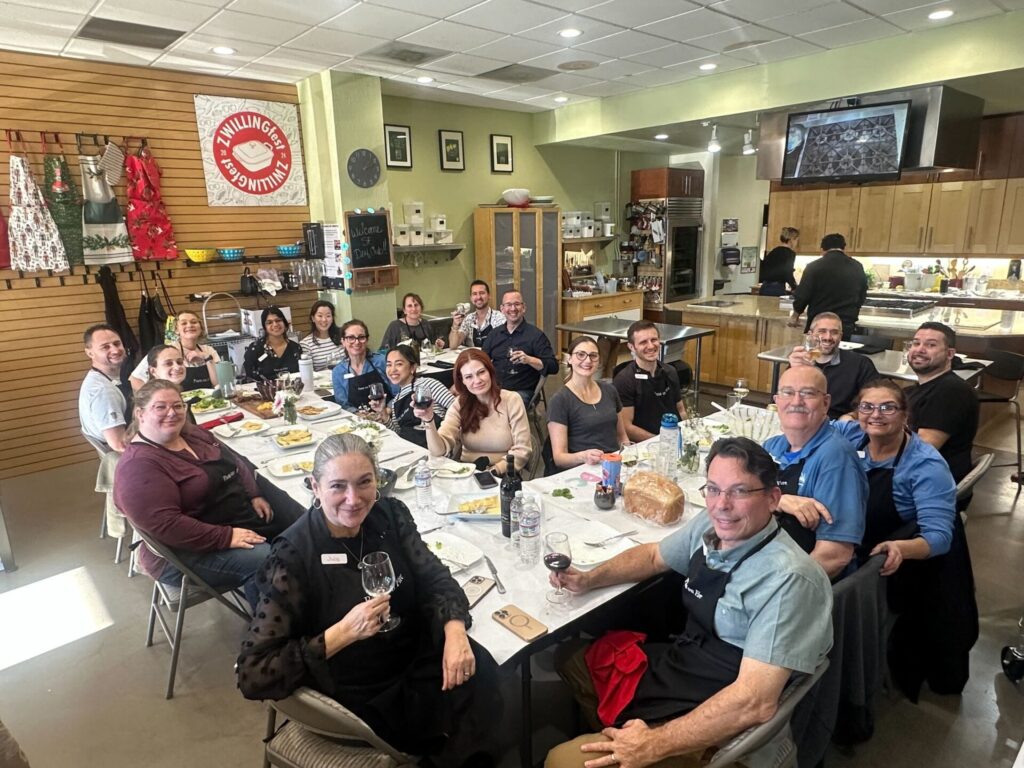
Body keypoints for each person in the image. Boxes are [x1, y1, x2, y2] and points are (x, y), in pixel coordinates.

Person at [544, 438, 832, 768]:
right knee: (570, 657)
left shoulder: (789, 579)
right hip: (686, 667)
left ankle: (636, 743)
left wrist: (653, 744)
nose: (721, 504)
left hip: (727, 728)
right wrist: (589, 578)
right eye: (712, 489)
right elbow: (654, 556)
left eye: (739, 491)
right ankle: (621, 732)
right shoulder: (714, 528)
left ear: (772, 498)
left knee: (559, 761)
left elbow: (754, 702)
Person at [236, 434, 500, 765]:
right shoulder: (293, 557)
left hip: (413, 654)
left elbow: (434, 577)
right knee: (458, 725)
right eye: (337, 486)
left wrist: (455, 631)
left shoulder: (389, 516)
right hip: (364, 687)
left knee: (481, 669)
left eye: (364, 483)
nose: (354, 499)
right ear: (314, 487)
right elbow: (253, 673)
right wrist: (343, 633)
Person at [833, 380, 978, 700]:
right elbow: (821, 426)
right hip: (857, 537)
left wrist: (901, 547)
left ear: (905, 415)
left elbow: (940, 537)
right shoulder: (854, 435)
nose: (876, 415)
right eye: (867, 407)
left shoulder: (924, 464)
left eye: (888, 407)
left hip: (893, 564)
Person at [113, 379, 292, 605]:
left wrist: (254, 493)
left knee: (297, 527)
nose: (172, 413)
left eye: (178, 405)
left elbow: (233, 460)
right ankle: (270, 634)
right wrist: (226, 537)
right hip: (184, 553)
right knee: (267, 559)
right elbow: (168, 526)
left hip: (226, 520)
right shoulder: (138, 467)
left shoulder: (190, 434)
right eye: (160, 407)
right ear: (140, 413)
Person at [763, 366, 867, 578]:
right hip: (763, 560)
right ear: (776, 401)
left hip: (798, 581)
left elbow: (835, 555)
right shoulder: (771, 447)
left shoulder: (836, 457)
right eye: (788, 392)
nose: (796, 401)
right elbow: (732, 496)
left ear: (826, 403)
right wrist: (779, 501)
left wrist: (775, 591)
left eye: (808, 393)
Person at [419, 348, 531, 475]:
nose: (477, 380)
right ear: (462, 381)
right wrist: (428, 419)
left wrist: (492, 472)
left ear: (490, 371)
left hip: (503, 474)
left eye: (481, 372)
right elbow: (438, 451)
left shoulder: (512, 400)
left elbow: (522, 451)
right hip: (467, 473)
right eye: (469, 377)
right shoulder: (459, 405)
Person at [904, 321, 979, 487]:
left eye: (931, 345)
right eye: (916, 343)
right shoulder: (916, 390)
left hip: (928, 486)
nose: (919, 349)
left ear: (950, 354)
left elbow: (921, 451)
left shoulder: (951, 392)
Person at [549, 337, 628, 469]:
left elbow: (622, 437)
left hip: (614, 463)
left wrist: (629, 456)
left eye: (593, 356)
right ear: (569, 359)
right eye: (580, 355)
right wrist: (583, 456)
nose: (587, 360)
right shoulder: (560, 400)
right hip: (584, 468)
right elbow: (559, 457)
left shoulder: (610, 390)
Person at [786, 311, 877, 419]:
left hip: (840, 426)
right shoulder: (800, 362)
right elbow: (782, 401)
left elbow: (876, 400)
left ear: (841, 336)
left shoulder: (860, 364)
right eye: (822, 331)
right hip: (803, 422)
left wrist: (854, 415)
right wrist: (794, 372)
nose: (828, 337)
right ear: (810, 335)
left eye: (834, 332)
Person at [368, 345, 455, 448]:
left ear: (412, 368)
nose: (392, 370)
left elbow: (457, 409)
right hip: (413, 449)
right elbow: (398, 434)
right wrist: (382, 412)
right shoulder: (396, 400)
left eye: (399, 364)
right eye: (389, 365)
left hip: (438, 446)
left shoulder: (428, 384)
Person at [613, 320, 687, 441]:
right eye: (643, 342)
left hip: (674, 439)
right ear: (631, 346)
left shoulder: (670, 371)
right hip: (645, 445)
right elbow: (626, 427)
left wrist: (686, 434)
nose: (651, 346)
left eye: (654, 340)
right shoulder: (624, 380)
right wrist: (660, 440)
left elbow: (681, 410)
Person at [482, 290, 559, 403]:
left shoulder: (536, 336)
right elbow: (482, 359)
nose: (513, 309)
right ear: (502, 309)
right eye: (508, 304)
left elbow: (553, 366)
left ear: (524, 308)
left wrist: (529, 360)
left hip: (521, 392)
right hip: (495, 388)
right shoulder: (494, 334)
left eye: (517, 304)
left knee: (501, 408)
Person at [788, 233, 867, 340]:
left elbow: (803, 295)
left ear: (822, 249)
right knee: (841, 355)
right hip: (844, 325)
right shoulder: (857, 266)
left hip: (820, 324)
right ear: (844, 248)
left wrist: (795, 315)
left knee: (816, 354)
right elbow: (862, 295)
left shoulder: (814, 266)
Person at [129, 310, 220, 391]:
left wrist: (207, 358)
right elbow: (135, 379)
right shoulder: (165, 351)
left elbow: (218, 383)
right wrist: (150, 402)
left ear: (201, 328)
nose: (190, 325)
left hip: (209, 406)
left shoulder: (209, 350)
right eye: (184, 323)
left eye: (194, 322)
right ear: (176, 330)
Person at [79, 323, 128, 452]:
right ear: (90, 353)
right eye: (105, 347)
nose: (115, 350)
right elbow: (120, 445)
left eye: (117, 344)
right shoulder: (103, 391)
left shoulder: (97, 378)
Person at [332, 319, 393, 413]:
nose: (357, 342)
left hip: (388, 415)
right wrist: (359, 415)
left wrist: (387, 411)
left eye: (361, 337)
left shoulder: (382, 362)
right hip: (358, 422)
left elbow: (399, 392)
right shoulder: (338, 371)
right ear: (343, 341)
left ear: (367, 340)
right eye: (351, 338)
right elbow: (343, 404)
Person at [243, 306, 302, 381]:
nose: (275, 324)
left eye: (278, 320)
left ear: (284, 323)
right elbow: (248, 379)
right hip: (264, 391)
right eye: (269, 322)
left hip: (293, 391)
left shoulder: (295, 348)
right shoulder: (255, 349)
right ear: (265, 327)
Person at [448, 279, 506, 348]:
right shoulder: (468, 319)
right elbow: (453, 345)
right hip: (473, 357)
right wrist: (455, 325)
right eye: (474, 294)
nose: (478, 297)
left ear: (489, 296)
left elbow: (503, 345)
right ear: (471, 298)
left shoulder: (499, 317)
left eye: (482, 293)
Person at [299, 300, 344, 371]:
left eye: (328, 316)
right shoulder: (306, 344)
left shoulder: (342, 336)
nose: (324, 320)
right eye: (320, 316)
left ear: (332, 318)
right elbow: (309, 373)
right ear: (313, 318)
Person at [759, 226, 799, 296]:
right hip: (776, 288)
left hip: (764, 287)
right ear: (791, 240)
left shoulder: (773, 251)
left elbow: (763, 268)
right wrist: (794, 287)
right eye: (796, 240)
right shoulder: (790, 253)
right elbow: (787, 272)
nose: (797, 243)